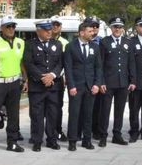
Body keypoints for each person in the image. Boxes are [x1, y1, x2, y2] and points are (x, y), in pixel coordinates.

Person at [0, 16, 26, 156]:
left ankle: (12, 143)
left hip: (14, 83)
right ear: (1, 28)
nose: (11, 29)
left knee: (14, 115)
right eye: (8, 26)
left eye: (13, 26)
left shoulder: (20, 42)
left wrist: (25, 79)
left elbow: (22, 63)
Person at [23, 19, 63, 152]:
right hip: (37, 86)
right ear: (38, 31)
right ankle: (37, 140)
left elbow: (60, 63)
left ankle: (51, 139)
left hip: (53, 86)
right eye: (46, 30)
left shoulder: (57, 44)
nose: (49, 32)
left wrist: (52, 75)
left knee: (53, 114)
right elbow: (28, 64)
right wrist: (42, 77)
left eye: (50, 29)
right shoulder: (30, 44)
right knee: (36, 115)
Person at [63, 21, 102, 151]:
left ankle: (87, 140)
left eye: (93, 31)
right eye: (90, 31)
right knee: (74, 114)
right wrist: (71, 86)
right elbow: (68, 68)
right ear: (82, 32)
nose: (93, 33)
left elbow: (98, 68)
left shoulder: (95, 47)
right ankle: (72, 141)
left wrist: (97, 84)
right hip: (76, 87)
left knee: (88, 114)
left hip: (90, 87)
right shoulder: (70, 47)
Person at [98, 17, 136, 147]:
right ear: (111, 28)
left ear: (123, 29)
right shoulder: (104, 42)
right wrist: (101, 81)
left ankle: (117, 134)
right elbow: (100, 64)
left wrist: (133, 80)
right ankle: (103, 135)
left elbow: (131, 63)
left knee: (119, 110)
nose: (117, 29)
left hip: (123, 82)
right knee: (105, 110)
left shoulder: (128, 42)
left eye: (119, 27)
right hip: (108, 82)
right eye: (115, 27)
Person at [50, 15, 69, 142]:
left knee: (57, 107)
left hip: (58, 79)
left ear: (61, 27)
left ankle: (57, 130)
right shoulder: (42, 39)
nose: (55, 27)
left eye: (58, 25)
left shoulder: (65, 43)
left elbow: (66, 63)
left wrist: (63, 76)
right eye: (53, 24)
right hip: (43, 79)